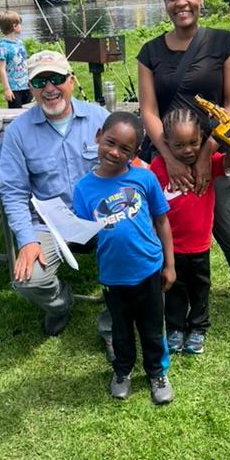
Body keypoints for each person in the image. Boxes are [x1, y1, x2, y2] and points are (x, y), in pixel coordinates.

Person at [137, 0, 230, 333]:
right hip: (166, 157)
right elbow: (148, 110)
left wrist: (208, 153)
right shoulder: (150, 52)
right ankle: (161, 291)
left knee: (227, 223)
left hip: (214, 151)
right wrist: (169, 157)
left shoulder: (225, 44)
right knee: (162, 225)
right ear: (165, 3)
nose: (182, 3)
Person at [0, 49, 110, 340]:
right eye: (40, 82)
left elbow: (125, 168)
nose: (49, 88)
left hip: (101, 217)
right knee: (28, 280)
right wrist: (27, 240)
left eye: (56, 79)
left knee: (133, 252)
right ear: (30, 88)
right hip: (50, 224)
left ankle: (113, 320)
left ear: (71, 80)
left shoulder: (100, 118)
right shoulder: (18, 132)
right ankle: (60, 304)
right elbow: (13, 192)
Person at [73, 112, 176, 405]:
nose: (115, 152)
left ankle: (157, 372)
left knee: (152, 329)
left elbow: (162, 221)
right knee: (120, 330)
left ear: (135, 152)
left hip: (148, 270)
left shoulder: (144, 178)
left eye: (125, 149)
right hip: (113, 276)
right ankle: (122, 371)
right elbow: (85, 233)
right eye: (110, 142)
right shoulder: (83, 188)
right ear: (98, 137)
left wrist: (169, 265)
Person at [150, 108, 230, 356]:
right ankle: (176, 328)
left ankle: (198, 327)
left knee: (199, 288)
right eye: (179, 145)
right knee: (173, 288)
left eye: (193, 142)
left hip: (199, 245)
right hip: (170, 246)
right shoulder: (158, 167)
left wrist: (226, 145)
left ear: (202, 137)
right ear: (166, 143)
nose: (188, 150)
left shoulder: (208, 162)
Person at [0, 11, 32, 109]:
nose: (21, 26)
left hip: (26, 85)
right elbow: (2, 68)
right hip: (14, 88)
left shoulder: (20, 43)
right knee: (16, 114)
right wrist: (7, 89)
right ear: (14, 26)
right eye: (19, 24)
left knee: (29, 111)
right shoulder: (3, 46)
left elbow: (24, 62)